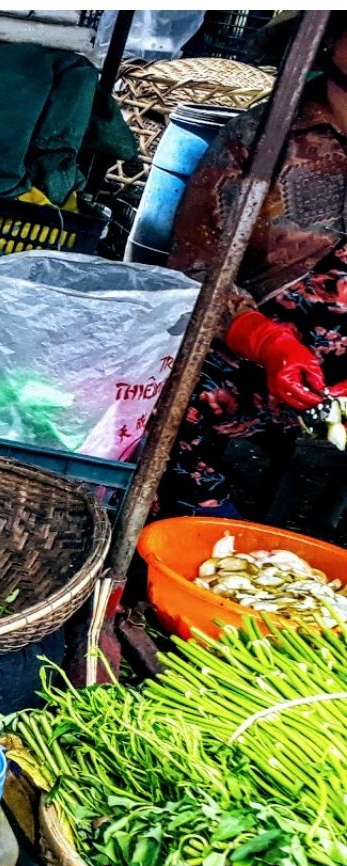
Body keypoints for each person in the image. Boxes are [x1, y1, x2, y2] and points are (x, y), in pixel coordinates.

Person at [164, 12, 347, 532]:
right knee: (175, 404)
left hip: (338, 387)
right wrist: (267, 342)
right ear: (329, 39)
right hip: (244, 359)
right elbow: (195, 269)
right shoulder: (265, 139)